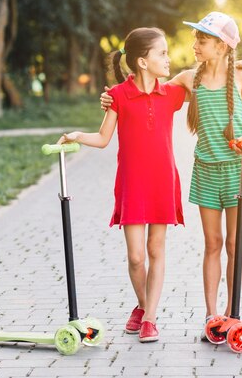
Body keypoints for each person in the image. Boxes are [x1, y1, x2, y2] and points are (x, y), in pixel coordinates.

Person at [100, 12, 242, 341]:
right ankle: (210, 314)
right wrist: (112, 97)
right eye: (197, 39)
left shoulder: (241, 79)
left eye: (201, 40)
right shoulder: (190, 78)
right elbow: (150, 89)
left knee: (235, 243)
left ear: (220, 46)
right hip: (205, 171)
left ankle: (233, 312)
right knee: (213, 243)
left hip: (236, 170)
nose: (194, 45)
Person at [57, 27, 189, 343]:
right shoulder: (117, 95)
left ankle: (150, 318)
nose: (168, 59)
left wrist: (230, 69)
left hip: (162, 181)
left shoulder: (171, 93)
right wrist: (76, 135)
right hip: (133, 184)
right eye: (162, 53)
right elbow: (103, 139)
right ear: (142, 62)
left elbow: (204, 78)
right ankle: (144, 307)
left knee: (156, 250)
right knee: (135, 258)